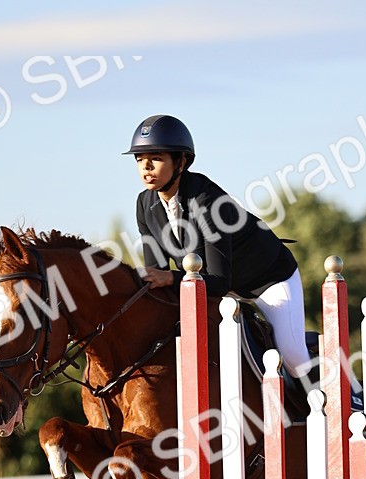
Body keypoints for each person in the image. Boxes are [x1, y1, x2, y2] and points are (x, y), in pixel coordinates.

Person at [126, 114, 312, 379]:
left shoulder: (208, 201)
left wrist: (169, 277)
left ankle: (347, 400)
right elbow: (158, 277)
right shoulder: (145, 205)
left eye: (156, 158)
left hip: (267, 281)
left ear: (181, 162)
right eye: (139, 160)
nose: (146, 167)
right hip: (217, 290)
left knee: (293, 358)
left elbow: (218, 282)